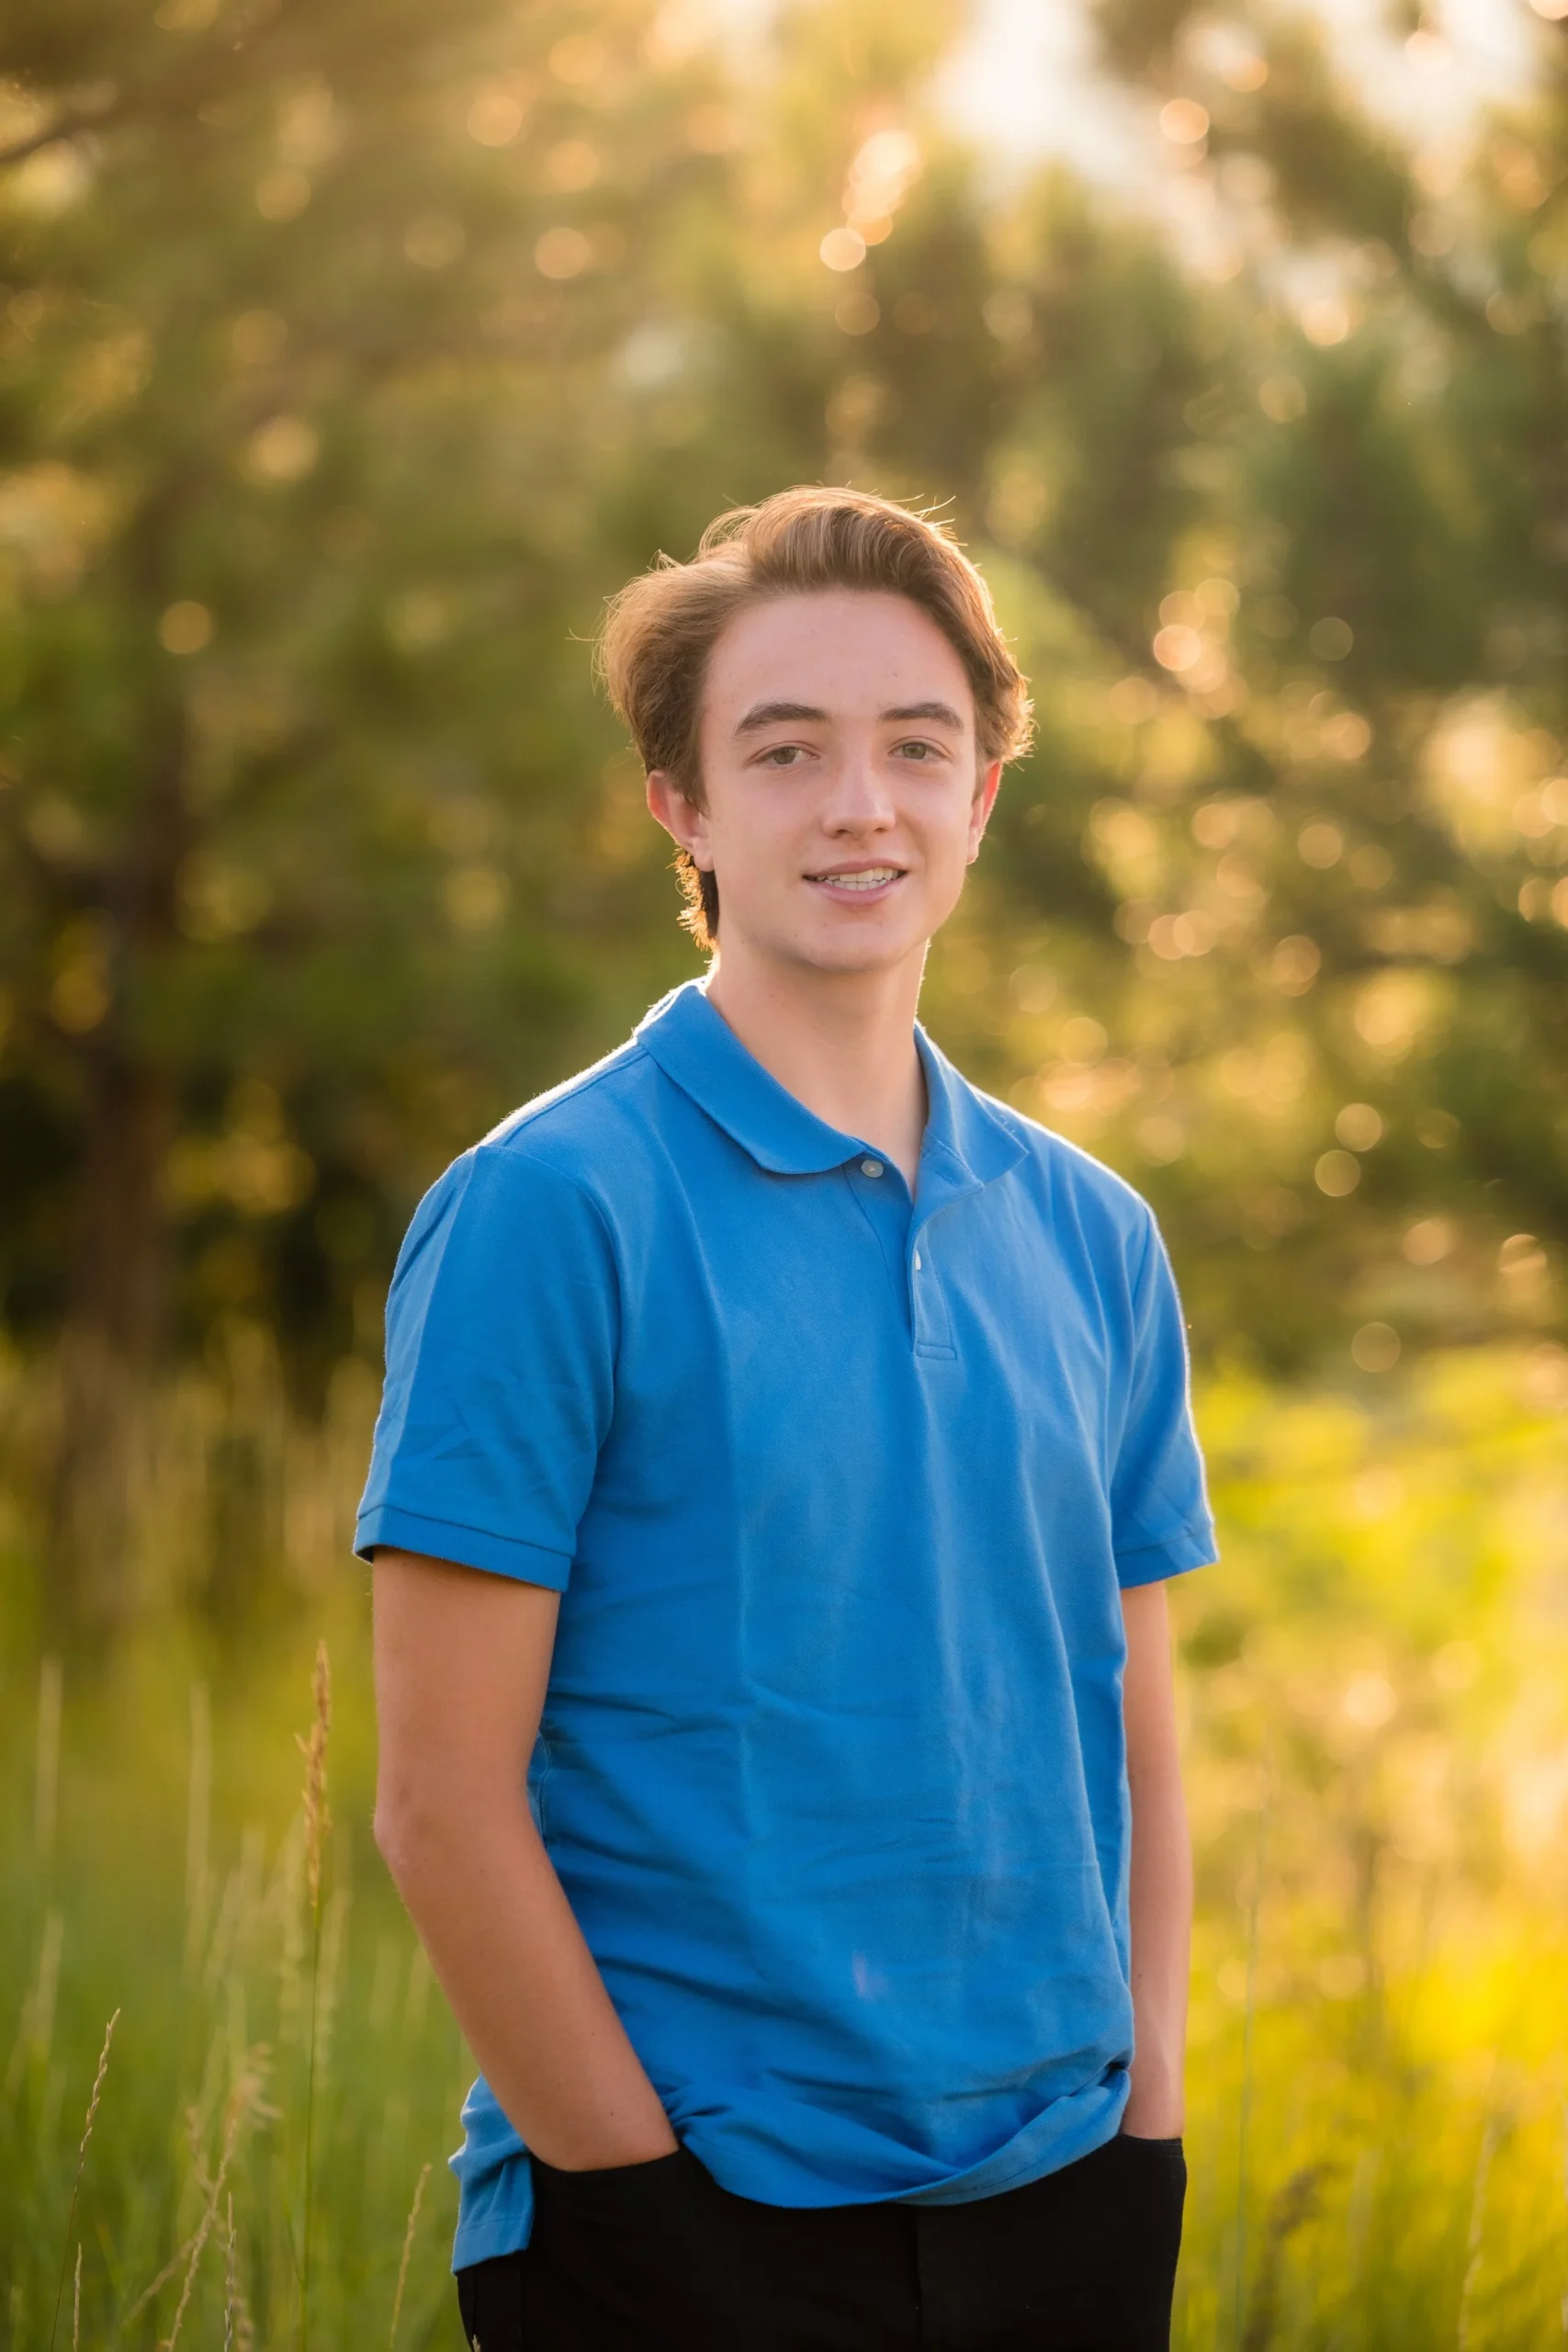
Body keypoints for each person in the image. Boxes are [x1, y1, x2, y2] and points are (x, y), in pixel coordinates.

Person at [361, 487, 1216, 2351]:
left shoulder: (1095, 1235)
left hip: (1065, 2199)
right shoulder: (545, 1209)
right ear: (680, 803)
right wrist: (640, 2205)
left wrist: (1146, 2115)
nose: (859, 805)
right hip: (682, 2221)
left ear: (981, 793)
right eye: (785, 749)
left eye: (915, 745)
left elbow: (1137, 1733)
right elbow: (438, 1798)